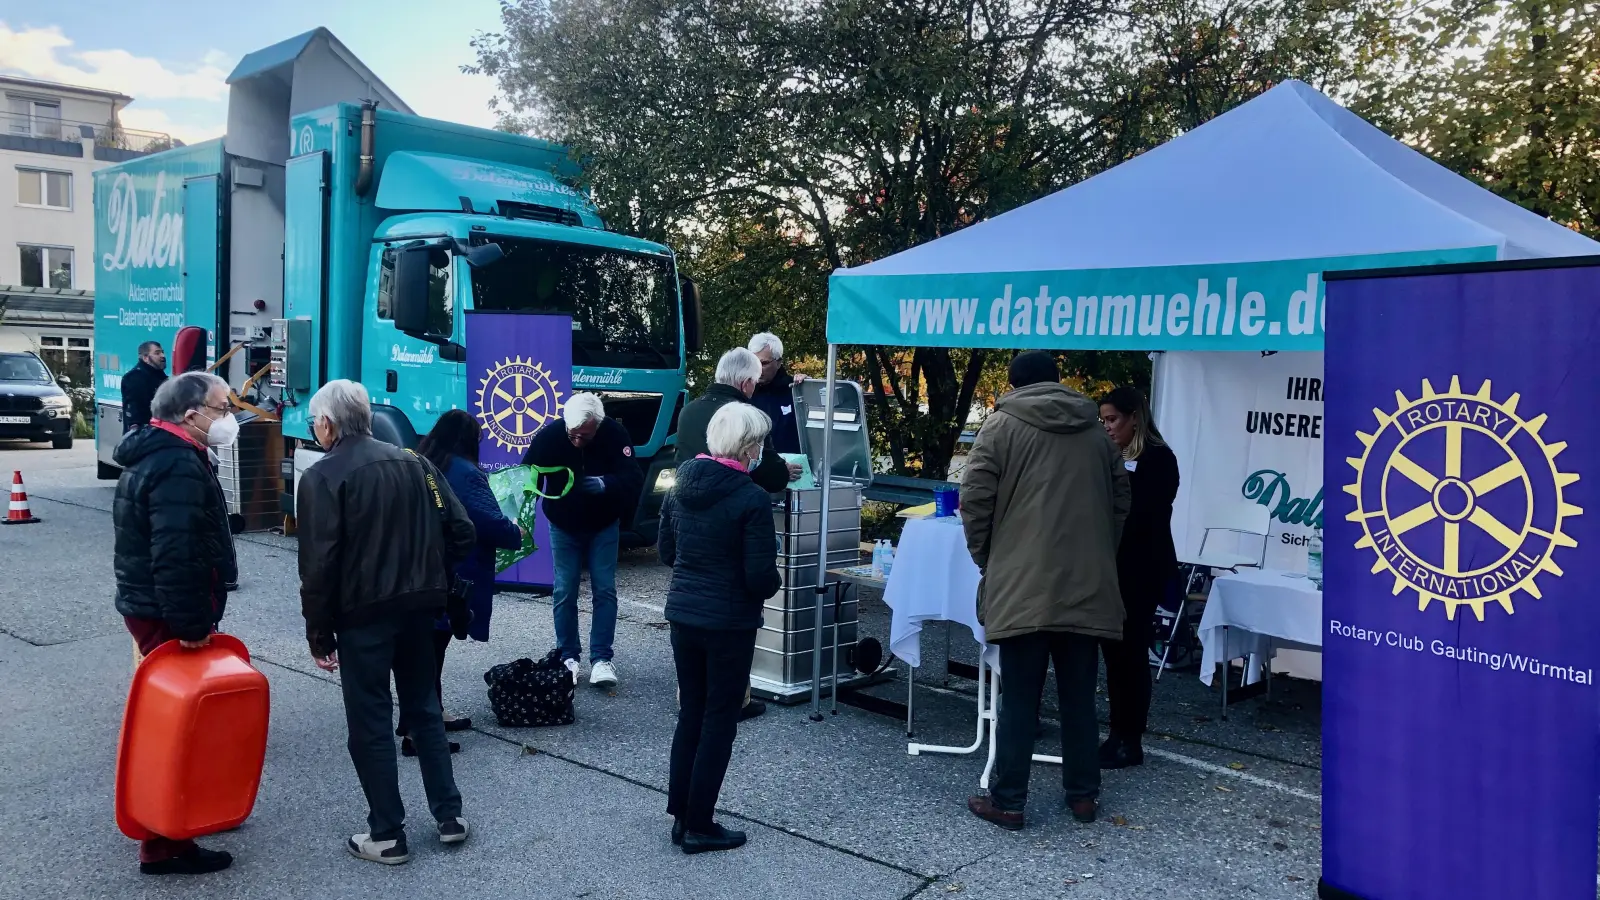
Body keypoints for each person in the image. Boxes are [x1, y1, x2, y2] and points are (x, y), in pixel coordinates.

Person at [297, 379, 476, 866]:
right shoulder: (416, 463)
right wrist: (432, 572)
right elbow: (462, 531)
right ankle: (449, 816)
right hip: (421, 607)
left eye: (315, 420)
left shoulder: (322, 477)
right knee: (423, 708)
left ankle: (387, 832)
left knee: (371, 720)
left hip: (363, 616)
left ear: (329, 424)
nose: (315, 428)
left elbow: (318, 566)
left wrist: (319, 632)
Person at [959, 350, 1130, 830]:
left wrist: (989, 558)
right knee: (1079, 696)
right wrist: (1100, 554)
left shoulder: (1000, 426)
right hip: (1087, 581)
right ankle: (1083, 796)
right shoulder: (1097, 431)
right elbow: (1121, 500)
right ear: (1057, 382)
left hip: (1022, 581)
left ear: (1012, 385)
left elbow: (975, 501)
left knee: (1018, 698)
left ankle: (1009, 801)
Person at [112, 371, 239, 875]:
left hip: (148, 603)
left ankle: (180, 818)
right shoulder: (178, 465)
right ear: (191, 415)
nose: (229, 417)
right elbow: (176, 552)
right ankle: (166, 843)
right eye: (222, 407)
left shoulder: (157, 453)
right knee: (178, 725)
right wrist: (191, 625)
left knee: (170, 719)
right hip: (168, 611)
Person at [658, 402, 781, 854]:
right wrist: (773, 578)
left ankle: (680, 814)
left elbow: (667, 553)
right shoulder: (750, 498)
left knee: (691, 712)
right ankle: (700, 823)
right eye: (761, 444)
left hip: (684, 614)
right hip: (729, 622)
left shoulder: (680, 485)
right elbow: (759, 577)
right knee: (719, 720)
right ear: (749, 447)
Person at [396, 410, 527, 756]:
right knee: (432, 649)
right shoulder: (466, 473)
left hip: (417, 569)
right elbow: (485, 520)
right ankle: (419, 731)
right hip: (453, 572)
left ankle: (428, 715)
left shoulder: (421, 462)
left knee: (425, 648)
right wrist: (516, 532)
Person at [521, 392, 644, 688]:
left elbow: (634, 477)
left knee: (605, 589)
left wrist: (606, 483)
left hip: (603, 523)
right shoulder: (550, 436)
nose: (578, 442)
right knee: (564, 589)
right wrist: (522, 516)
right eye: (573, 435)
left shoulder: (614, 433)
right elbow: (527, 475)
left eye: (585, 437)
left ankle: (601, 658)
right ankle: (568, 656)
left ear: (597, 426)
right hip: (563, 524)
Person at [1097, 386, 1180, 769]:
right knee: (1115, 654)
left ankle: (1129, 738)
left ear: (1135, 417)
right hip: (1112, 567)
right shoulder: (1113, 456)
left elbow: (1142, 516)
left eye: (1113, 419)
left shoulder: (1158, 459)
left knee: (1129, 653)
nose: (1108, 427)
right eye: (1103, 421)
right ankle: (1117, 733)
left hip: (1141, 567)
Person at [677, 347, 800, 494]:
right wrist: (782, 471)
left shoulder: (688, 411)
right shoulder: (748, 418)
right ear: (746, 383)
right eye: (754, 382)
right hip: (732, 504)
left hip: (688, 500)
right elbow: (771, 476)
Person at [747, 332, 804, 455]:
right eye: (754, 362)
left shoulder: (796, 389)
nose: (758, 368)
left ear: (778, 362)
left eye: (764, 363)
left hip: (792, 468)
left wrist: (809, 389)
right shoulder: (743, 392)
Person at [120, 341, 168, 433]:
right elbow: (134, 409)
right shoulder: (134, 378)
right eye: (157, 353)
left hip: (159, 432)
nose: (162, 356)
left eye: (162, 352)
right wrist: (136, 432)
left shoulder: (161, 377)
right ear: (145, 358)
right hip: (144, 435)